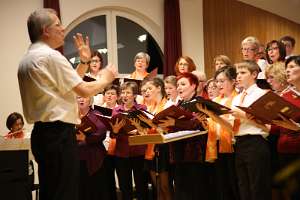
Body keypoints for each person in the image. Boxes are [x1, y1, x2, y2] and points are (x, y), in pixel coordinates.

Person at [17, 8, 117, 200]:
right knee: (65, 193)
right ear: (46, 30)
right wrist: (106, 78)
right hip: (59, 134)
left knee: (52, 190)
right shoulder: (50, 56)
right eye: (58, 25)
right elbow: (83, 90)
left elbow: (66, 85)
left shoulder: (28, 58)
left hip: (43, 134)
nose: (63, 29)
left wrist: (84, 61)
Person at [231, 60, 271, 200]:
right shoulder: (236, 98)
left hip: (256, 142)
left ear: (254, 74)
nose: (238, 77)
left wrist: (244, 115)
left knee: (258, 187)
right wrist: (212, 115)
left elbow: (267, 126)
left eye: (243, 73)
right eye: (237, 74)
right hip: (239, 143)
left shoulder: (263, 94)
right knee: (243, 187)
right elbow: (232, 126)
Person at [110, 81, 148, 200]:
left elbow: (146, 129)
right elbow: (112, 135)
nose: (124, 95)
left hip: (139, 152)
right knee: (124, 186)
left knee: (141, 185)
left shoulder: (142, 108)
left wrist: (138, 129)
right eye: (123, 92)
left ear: (135, 96)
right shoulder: (116, 110)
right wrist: (115, 130)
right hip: (121, 153)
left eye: (128, 93)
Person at [271, 56, 300, 200]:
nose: (288, 70)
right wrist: (259, 122)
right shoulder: (285, 96)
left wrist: (297, 127)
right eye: (286, 68)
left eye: (292, 67)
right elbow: (276, 127)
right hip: (284, 150)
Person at [76, 96, 111, 200]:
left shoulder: (96, 114)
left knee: (94, 190)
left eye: (84, 97)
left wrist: (85, 139)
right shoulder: (72, 115)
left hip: (94, 157)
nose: (81, 99)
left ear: (90, 100)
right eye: (78, 98)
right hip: (76, 157)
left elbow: (101, 133)